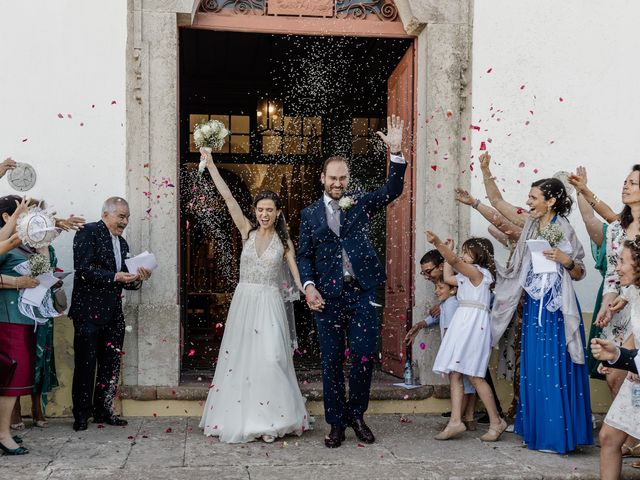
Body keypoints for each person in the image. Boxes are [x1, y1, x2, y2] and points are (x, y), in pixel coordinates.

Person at [297, 115, 407, 448]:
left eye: (342, 178)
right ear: (322, 179)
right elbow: (304, 256)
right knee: (330, 363)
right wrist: (308, 285)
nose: (338, 183)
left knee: (362, 357)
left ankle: (357, 415)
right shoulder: (309, 214)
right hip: (327, 297)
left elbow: (393, 190)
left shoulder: (359, 201)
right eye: (333, 178)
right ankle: (336, 424)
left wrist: (397, 151)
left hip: (361, 294)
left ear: (348, 179)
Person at [484, 152, 593, 454]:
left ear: (551, 201)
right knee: (534, 367)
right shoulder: (531, 225)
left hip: (556, 308)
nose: (529, 202)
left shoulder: (562, 228)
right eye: (529, 197)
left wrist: (566, 260)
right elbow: (500, 207)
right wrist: (486, 172)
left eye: (534, 197)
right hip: (534, 305)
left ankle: (557, 436)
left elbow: (581, 271)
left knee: (554, 367)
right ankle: (537, 433)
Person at [198, 149, 309, 444]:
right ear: (256, 211)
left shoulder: (284, 242)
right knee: (242, 361)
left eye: (269, 210)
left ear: (278, 212)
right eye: (260, 209)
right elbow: (228, 199)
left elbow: (296, 274)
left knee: (271, 358)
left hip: (270, 303)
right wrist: (210, 165)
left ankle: (274, 418)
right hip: (245, 302)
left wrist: (308, 291)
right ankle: (248, 419)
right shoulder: (246, 231)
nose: (264, 214)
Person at [69, 197, 151, 431]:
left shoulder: (122, 244)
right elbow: (83, 270)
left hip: (114, 313)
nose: (125, 222)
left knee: (111, 364)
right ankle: (81, 415)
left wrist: (138, 278)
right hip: (88, 313)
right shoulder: (88, 232)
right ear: (106, 214)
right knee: (86, 365)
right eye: (121, 216)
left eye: (127, 217)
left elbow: (125, 281)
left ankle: (104, 411)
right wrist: (114, 276)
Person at [427, 234, 506, 442]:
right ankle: (455, 421)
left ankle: (496, 421)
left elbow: (455, 263)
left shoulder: (479, 273)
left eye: (466, 251)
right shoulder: (465, 276)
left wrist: (439, 245)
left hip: (474, 324)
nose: (462, 255)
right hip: (462, 322)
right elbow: (449, 277)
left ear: (478, 254)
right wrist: (446, 256)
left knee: (474, 375)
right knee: (455, 372)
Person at [589, 237, 640, 479]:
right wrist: (614, 356)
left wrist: (625, 359)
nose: (617, 267)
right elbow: (635, 335)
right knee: (609, 437)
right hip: (636, 378)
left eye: (622, 261)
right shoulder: (632, 291)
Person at [592, 165, 640, 402]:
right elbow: (612, 274)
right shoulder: (615, 229)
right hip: (618, 312)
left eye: (633, 183)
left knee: (633, 377)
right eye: (625, 182)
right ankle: (625, 437)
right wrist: (605, 306)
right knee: (613, 376)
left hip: (637, 308)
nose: (626, 186)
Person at [404, 277, 477, 430]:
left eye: (440, 288)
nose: (436, 291)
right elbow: (438, 316)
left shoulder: (452, 304)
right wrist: (421, 323)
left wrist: (448, 351)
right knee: (467, 383)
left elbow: (452, 330)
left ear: (453, 289)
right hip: (458, 349)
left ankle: (456, 420)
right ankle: (466, 419)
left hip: (455, 349)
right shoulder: (448, 303)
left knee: (461, 384)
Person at [568, 166, 618, 382]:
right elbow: (590, 219)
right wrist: (581, 190)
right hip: (611, 295)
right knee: (612, 367)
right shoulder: (615, 232)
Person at [0, 196, 36, 455]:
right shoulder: (9, 242)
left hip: (22, 315)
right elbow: (11, 240)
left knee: (15, 375)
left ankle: (3, 431)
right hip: (6, 316)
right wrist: (16, 283)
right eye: (22, 215)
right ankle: (3, 434)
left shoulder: (21, 243)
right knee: (10, 375)